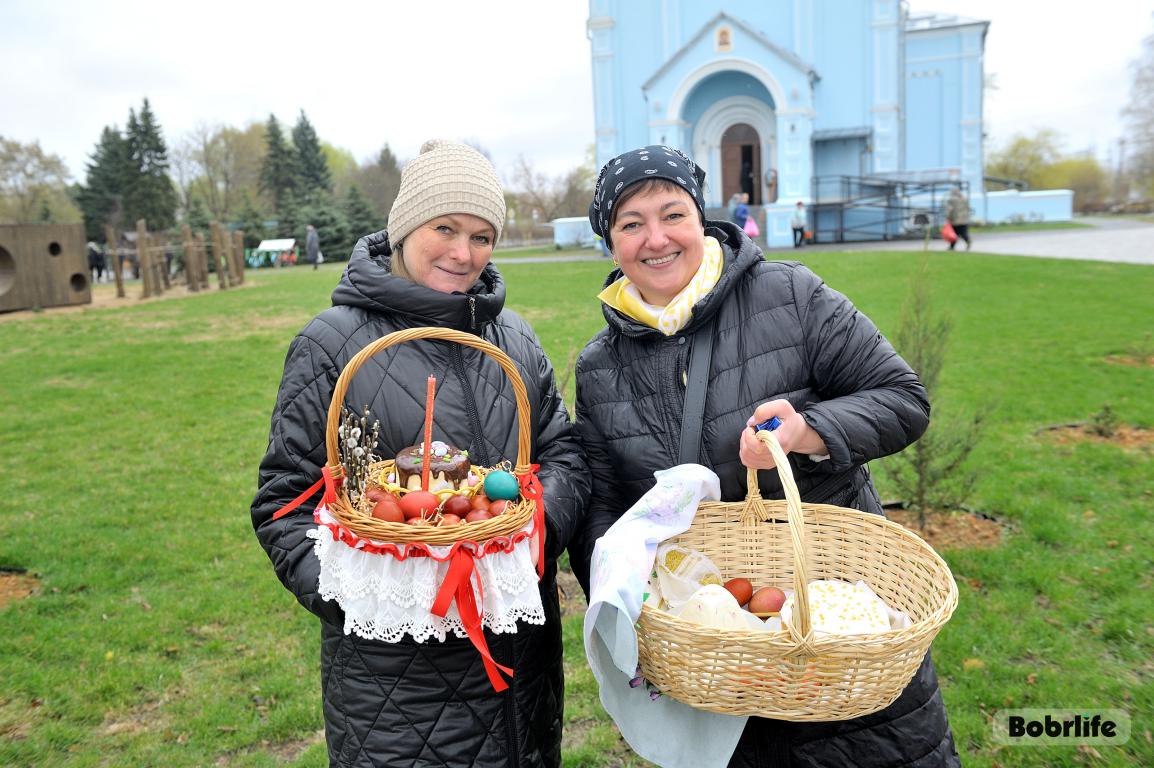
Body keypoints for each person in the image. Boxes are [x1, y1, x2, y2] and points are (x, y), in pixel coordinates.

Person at [571, 145, 959, 767]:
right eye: (630, 224)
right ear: (609, 243)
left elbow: (903, 398)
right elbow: (606, 502)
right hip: (706, 649)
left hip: (834, 623)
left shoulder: (789, 295)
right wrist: (632, 602)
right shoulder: (599, 367)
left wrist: (811, 431)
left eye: (673, 214)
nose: (657, 239)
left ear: (702, 218)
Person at [252, 139, 589, 768]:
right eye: (446, 228)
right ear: (405, 226)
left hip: (521, 670)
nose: (464, 254)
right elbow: (283, 504)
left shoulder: (512, 337)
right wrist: (373, 591)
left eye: (483, 236)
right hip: (397, 690)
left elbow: (562, 453)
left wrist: (527, 538)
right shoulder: (332, 345)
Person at [944, 187, 971, 251]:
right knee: (963, 233)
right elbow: (968, 208)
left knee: (954, 234)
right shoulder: (964, 199)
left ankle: (952, 246)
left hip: (955, 220)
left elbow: (950, 210)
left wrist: (948, 217)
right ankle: (967, 241)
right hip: (964, 220)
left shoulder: (951, 200)